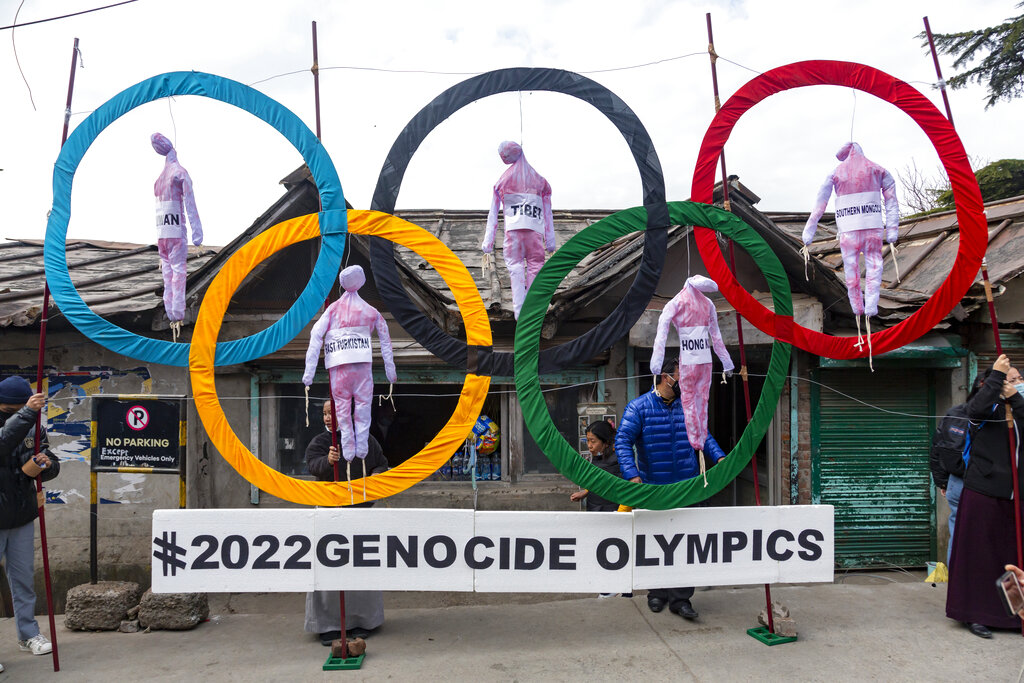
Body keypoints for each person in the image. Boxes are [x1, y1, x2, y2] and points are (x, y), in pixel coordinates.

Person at [615, 358, 727, 620]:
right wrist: (632, 476)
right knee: (656, 544)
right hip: (654, 489)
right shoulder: (638, 408)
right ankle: (656, 593)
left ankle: (681, 599)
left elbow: (704, 435)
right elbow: (622, 441)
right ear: (666, 377)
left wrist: (720, 458)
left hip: (687, 488)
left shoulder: (689, 406)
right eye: (681, 376)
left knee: (686, 545)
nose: (686, 381)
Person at [946, 354, 1024, 638]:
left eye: (1018, 380)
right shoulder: (985, 409)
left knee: (1013, 559)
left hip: (1017, 497)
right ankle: (975, 614)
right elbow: (974, 410)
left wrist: (1016, 398)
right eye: (1010, 379)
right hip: (984, 492)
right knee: (978, 557)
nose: (1015, 384)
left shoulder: (1020, 408)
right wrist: (995, 378)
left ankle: (1016, 615)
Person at [304, 400, 389, 646]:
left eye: (333, 412)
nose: (328, 417)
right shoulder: (320, 443)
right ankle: (329, 625)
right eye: (324, 413)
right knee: (329, 569)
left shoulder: (365, 440)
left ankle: (364, 621)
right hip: (329, 514)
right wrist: (327, 462)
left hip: (360, 515)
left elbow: (381, 463)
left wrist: (375, 476)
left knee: (361, 567)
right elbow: (312, 466)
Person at [0, 376, 59, 661]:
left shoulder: (34, 426)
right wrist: (26, 413)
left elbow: (49, 460)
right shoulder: (23, 419)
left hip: (21, 514)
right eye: (12, 410)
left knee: (23, 580)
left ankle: (28, 634)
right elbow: (2, 443)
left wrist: (45, 465)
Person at [570, 421, 622, 512]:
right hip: (595, 507)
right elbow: (599, 482)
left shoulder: (618, 461)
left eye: (593, 441)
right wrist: (586, 492)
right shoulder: (598, 457)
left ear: (605, 441)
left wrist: (622, 513)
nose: (589, 446)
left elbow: (622, 490)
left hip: (611, 511)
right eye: (587, 441)